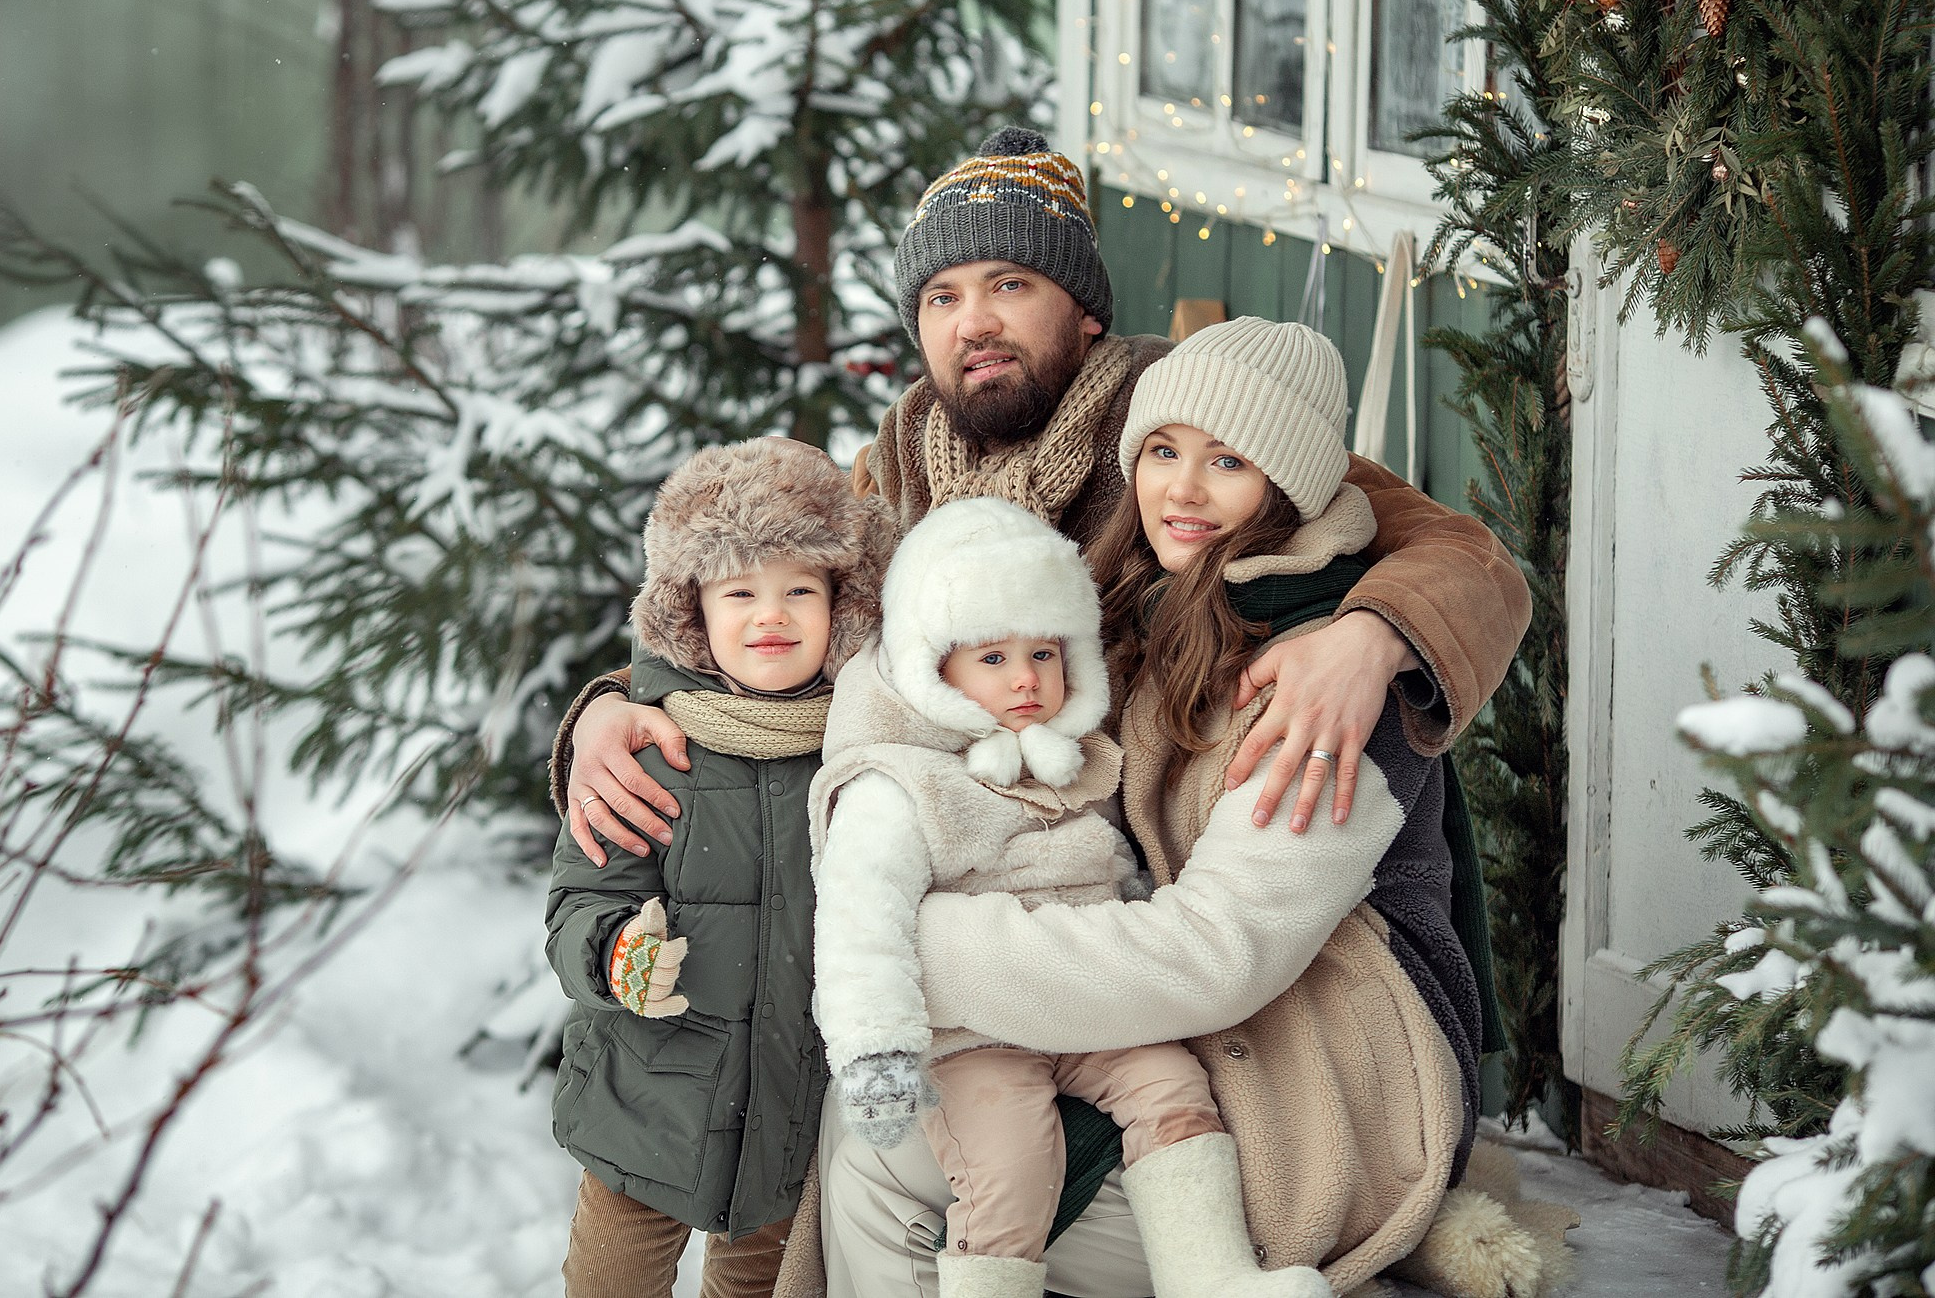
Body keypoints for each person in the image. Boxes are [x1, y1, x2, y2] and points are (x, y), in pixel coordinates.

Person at [773, 319, 1569, 1298]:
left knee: (892, 1163)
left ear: (1289, 484)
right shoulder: (1145, 594)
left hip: (1323, 1076)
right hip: (1185, 1027)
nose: (1181, 489)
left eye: (1226, 460)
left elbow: (1216, 953)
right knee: (876, 1117)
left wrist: (905, 948)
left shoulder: (1327, 688)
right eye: (1160, 451)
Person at [550, 126, 1531, 867]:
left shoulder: (1173, 421)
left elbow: (1460, 554)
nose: (971, 321)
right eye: (940, 297)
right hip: (929, 835)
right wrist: (609, 702)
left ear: (1081, 306)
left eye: (1007, 283)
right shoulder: (896, 460)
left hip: (1112, 848)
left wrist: (1371, 636)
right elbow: (758, 588)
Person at [808, 496, 1330, 1298]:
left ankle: (1211, 1275)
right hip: (972, 1035)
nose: (1024, 679)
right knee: (1011, 1162)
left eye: (1044, 653)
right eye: (991, 658)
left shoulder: (1079, 761)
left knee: (1172, 1091)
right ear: (930, 668)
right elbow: (858, 918)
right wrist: (875, 1047)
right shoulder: (901, 785)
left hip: (1088, 1013)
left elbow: (1115, 866)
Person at [544, 438, 893, 1298]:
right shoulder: (650, 749)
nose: (769, 616)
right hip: (646, 1098)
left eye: (799, 591)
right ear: (692, 612)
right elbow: (582, 897)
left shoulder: (860, 750)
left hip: (795, 1103)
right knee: (612, 1282)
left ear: (841, 607)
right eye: (739, 591)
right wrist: (614, 954)